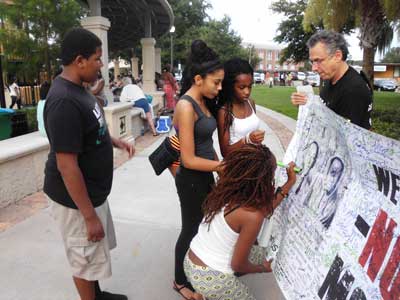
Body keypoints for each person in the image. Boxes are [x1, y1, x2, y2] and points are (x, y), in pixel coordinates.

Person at [43, 28, 134, 300]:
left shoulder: (80, 89)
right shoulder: (63, 102)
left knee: (92, 255)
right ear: (79, 60)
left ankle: (97, 295)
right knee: (83, 260)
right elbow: (66, 166)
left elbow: (90, 130)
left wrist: (114, 141)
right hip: (75, 202)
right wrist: (89, 217)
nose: (101, 65)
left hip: (93, 194)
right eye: (97, 58)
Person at [184, 145, 297, 300]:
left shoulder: (229, 191)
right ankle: (204, 293)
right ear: (262, 181)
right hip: (211, 276)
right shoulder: (252, 216)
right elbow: (238, 265)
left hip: (191, 260)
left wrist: (289, 183)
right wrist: (261, 269)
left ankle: (200, 294)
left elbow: (265, 210)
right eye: (271, 175)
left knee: (263, 253)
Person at [172, 39, 224, 300]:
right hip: (191, 178)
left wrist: (218, 170)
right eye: (216, 82)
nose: (220, 87)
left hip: (205, 176)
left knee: (204, 226)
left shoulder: (203, 102)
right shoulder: (185, 106)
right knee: (190, 228)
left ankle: (196, 267)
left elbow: (206, 143)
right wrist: (220, 165)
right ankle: (180, 281)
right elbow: (189, 159)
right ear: (198, 79)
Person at [291, 30, 372, 129]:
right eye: (312, 62)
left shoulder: (354, 91)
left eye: (318, 61)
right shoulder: (329, 78)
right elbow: (326, 110)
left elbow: (350, 138)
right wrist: (306, 103)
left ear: (337, 56)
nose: (314, 68)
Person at [217, 58, 265, 158]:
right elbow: (225, 152)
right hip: (238, 167)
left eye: (250, 86)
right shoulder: (224, 112)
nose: (247, 92)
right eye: (242, 87)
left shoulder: (251, 103)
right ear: (230, 86)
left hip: (255, 162)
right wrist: (248, 139)